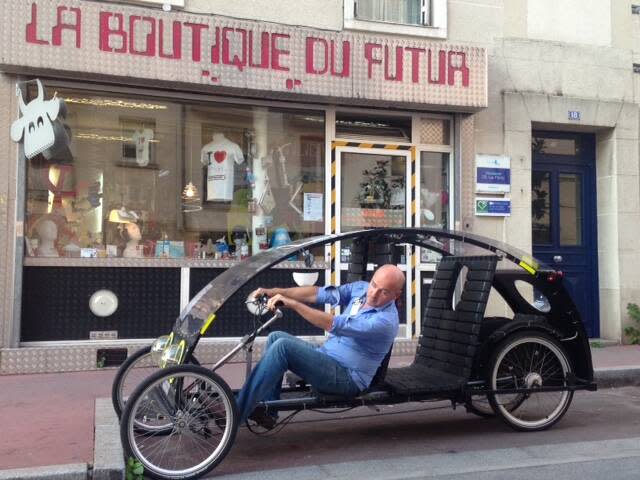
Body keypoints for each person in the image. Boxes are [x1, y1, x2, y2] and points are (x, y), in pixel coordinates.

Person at [236, 264, 405, 429]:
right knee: (275, 337)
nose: (374, 293)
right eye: (374, 284)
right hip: (327, 356)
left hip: (347, 378)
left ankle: (235, 414)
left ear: (396, 295)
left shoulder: (385, 321)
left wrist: (293, 304)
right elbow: (318, 293)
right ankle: (270, 411)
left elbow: (332, 324)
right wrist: (275, 292)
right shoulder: (361, 289)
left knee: (283, 347)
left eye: (384, 292)